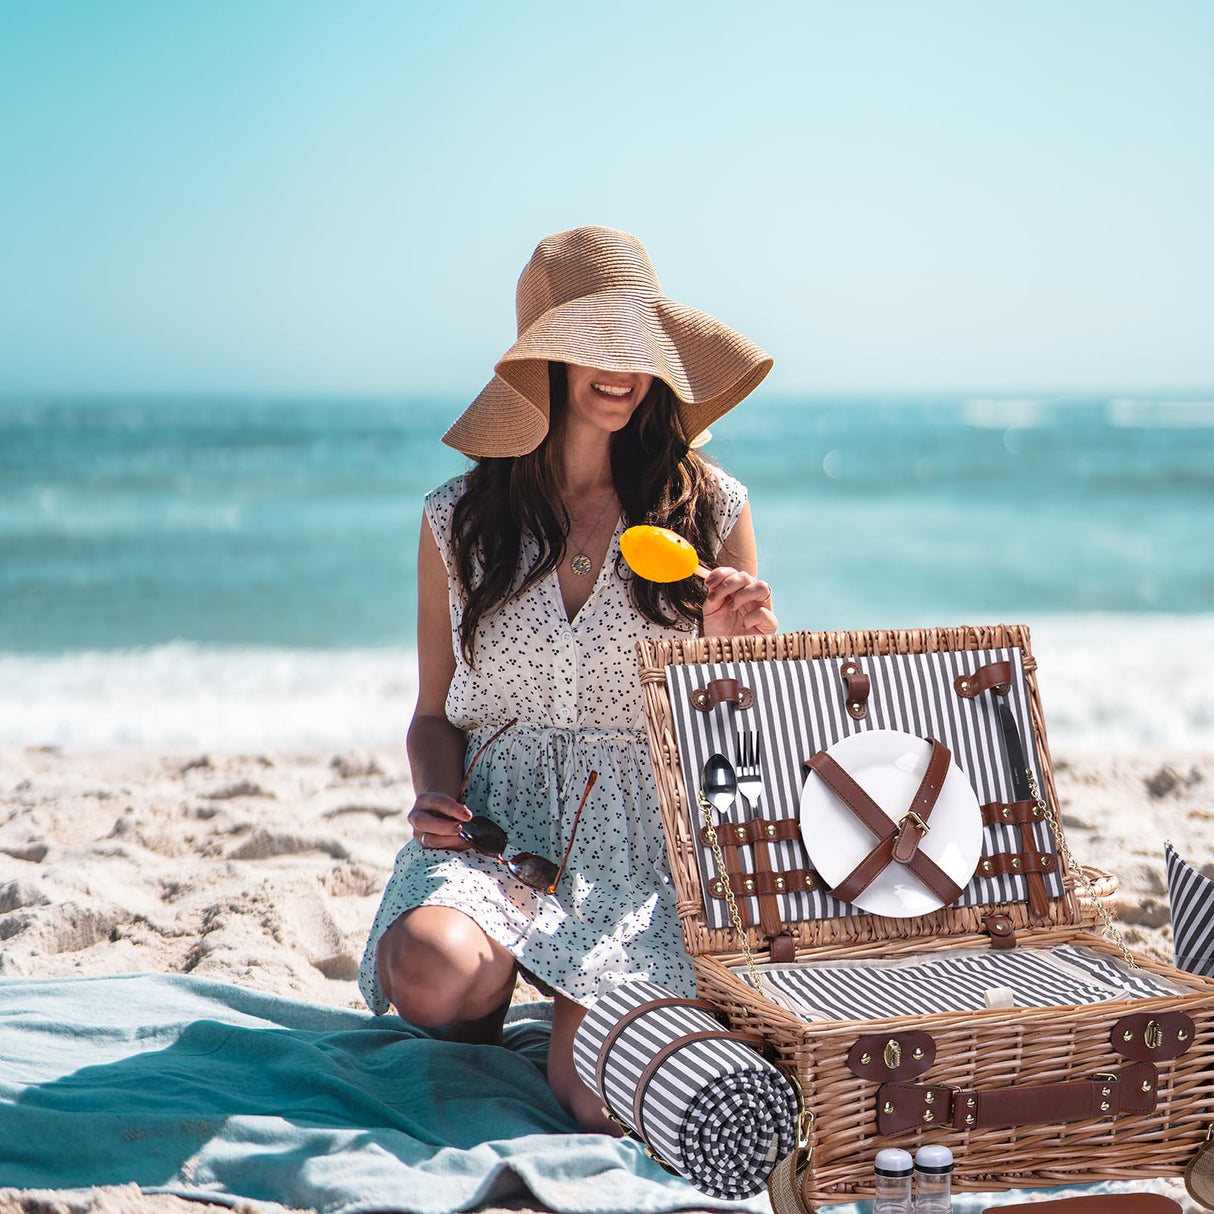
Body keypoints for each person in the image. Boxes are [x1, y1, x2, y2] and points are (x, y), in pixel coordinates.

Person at [358, 225, 778, 1131]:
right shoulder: (458, 519)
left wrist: (722, 648)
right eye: (595, 343)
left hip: (645, 846)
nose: (621, 368)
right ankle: (499, 979)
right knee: (430, 969)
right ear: (543, 359)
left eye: (638, 344)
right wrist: (435, 797)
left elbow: (744, 745)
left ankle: (599, 1008)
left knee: (593, 1099)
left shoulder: (711, 509)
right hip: (500, 833)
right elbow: (433, 716)